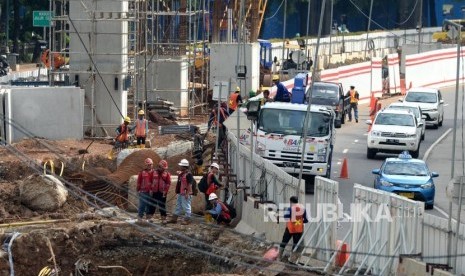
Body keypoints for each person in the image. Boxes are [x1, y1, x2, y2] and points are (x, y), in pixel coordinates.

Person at [279, 196, 308, 261]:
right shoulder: (303, 208)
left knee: (284, 242)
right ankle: (292, 260)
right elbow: (306, 220)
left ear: (291, 201)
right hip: (299, 230)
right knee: (296, 244)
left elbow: (285, 217)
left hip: (290, 229)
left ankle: (279, 257)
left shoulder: (290, 209)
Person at [168, 159, 194, 225]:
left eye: (181, 166)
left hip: (185, 193)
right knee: (178, 206)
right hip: (180, 193)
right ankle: (174, 219)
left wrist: (187, 194)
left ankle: (187, 219)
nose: (180, 167)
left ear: (184, 166)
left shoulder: (189, 175)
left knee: (186, 207)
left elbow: (190, 185)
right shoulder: (182, 174)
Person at [151, 159, 171, 224]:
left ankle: (163, 219)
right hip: (154, 191)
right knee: (152, 205)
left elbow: (168, 183)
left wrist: (165, 191)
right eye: (161, 167)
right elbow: (150, 181)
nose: (162, 169)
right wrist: (151, 189)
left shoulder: (167, 174)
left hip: (162, 192)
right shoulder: (153, 172)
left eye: (163, 168)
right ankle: (149, 218)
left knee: (162, 206)